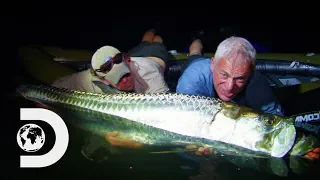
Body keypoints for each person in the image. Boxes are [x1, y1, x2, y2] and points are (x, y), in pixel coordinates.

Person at [178, 37, 320, 160]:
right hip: (195, 66)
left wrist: (297, 145)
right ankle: (195, 47)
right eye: (224, 75)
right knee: (195, 56)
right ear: (213, 64)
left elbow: (275, 120)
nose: (229, 87)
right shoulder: (192, 80)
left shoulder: (256, 82)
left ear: (250, 73)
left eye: (239, 78)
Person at [51, 29, 171, 161]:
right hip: (134, 56)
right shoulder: (88, 77)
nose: (125, 80)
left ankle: (155, 29)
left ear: (127, 61)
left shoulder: (150, 76)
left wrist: (137, 143)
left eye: (126, 74)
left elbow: (165, 120)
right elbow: (56, 86)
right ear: (103, 80)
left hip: (155, 57)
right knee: (145, 42)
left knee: (157, 41)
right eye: (118, 79)